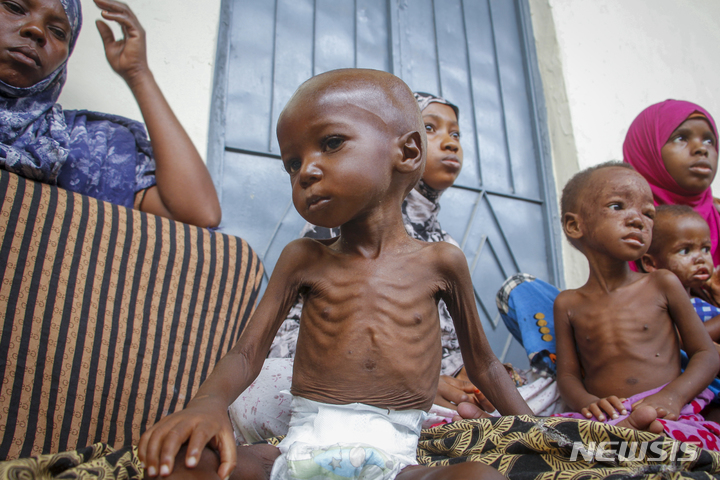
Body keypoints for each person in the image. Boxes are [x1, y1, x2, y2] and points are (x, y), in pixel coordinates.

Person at [138, 68, 531, 480]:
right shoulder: (303, 258)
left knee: (482, 478)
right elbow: (246, 354)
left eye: (331, 143)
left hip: (396, 462)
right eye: (292, 163)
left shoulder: (442, 261)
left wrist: (540, 432)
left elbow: (484, 365)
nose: (306, 171)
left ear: (408, 152)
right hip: (295, 451)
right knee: (177, 464)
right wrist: (208, 403)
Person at [232, 92, 492, 444]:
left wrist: (464, 378)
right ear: (407, 145)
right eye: (431, 127)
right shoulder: (332, 228)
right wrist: (412, 383)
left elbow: (455, 346)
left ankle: (447, 421)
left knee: (527, 388)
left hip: (430, 394)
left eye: (456, 134)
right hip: (345, 387)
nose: (449, 143)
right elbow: (286, 344)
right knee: (262, 395)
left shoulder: (445, 249)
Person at [0, 0, 221, 227]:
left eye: (57, 32)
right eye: (15, 7)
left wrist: (137, 73)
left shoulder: (81, 146)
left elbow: (200, 214)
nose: (36, 30)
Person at [551, 161, 720, 450]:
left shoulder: (662, 283)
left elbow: (706, 354)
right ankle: (630, 436)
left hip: (664, 407)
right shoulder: (567, 303)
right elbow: (567, 375)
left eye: (648, 213)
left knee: (664, 429)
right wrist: (588, 402)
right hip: (607, 416)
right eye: (618, 206)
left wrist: (674, 396)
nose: (638, 220)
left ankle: (638, 436)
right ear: (575, 225)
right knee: (555, 437)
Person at [624, 100, 719, 266]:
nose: (701, 149)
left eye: (709, 141)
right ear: (646, 152)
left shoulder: (717, 216)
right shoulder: (623, 228)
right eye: (680, 138)